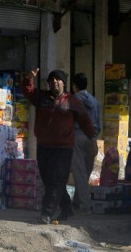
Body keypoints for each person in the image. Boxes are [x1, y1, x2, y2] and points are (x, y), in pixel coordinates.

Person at [21, 68, 95, 224]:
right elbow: (27, 91)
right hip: (44, 146)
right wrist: (29, 78)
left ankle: (46, 213)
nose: (54, 82)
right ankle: (67, 209)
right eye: (51, 80)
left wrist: (93, 140)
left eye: (58, 79)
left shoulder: (73, 101)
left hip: (63, 148)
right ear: (48, 83)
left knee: (57, 180)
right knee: (49, 180)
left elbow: (85, 122)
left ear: (63, 83)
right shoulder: (41, 97)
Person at [70, 72, 100, 213]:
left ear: (74, 86)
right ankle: (77, 201)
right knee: (86, 171)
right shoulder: (94, 101)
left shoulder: (72, 100)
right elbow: (98, 124)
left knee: (79, 172)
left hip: (77, 137)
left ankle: (85, 204)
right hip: (92, 138)